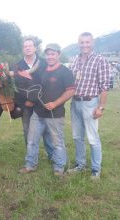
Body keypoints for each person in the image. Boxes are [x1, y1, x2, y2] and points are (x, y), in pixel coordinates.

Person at [19, 43, 75, 176]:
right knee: (32, 140)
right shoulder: (42, 70)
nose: (50, 57)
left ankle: (59, 168)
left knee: (57, 143)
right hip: (38, 113)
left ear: (58, 54)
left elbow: (71, 91)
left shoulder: (65, 71)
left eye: (53, 54)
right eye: (48, 54)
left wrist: (55, 103)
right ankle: (30, 165)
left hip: (55, 114)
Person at [68, 32, 110, 180]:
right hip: (75, 102)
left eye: (87, 42)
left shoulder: (100, 60)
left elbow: (104, 87)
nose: (84, 45)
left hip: (90, 103)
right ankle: (80, 165)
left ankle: (96, 169)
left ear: (92, 43)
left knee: (93, 138)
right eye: (82, 42)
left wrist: (101, 107)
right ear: (78, 43)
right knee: (77, 137)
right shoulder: (75, 61)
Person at [13, 37, 54, 160]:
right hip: (27, 104)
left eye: (30, 45)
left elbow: (49, 83)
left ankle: (51, 155)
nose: (28, 48)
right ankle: (31, 156)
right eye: (25, 46)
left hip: (43, 103)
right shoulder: (18, 65)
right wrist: (24, 102)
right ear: (23, 49)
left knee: (47, 130)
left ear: (35, 48)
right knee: (27, 130)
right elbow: (16, 87)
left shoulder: (44, 63)